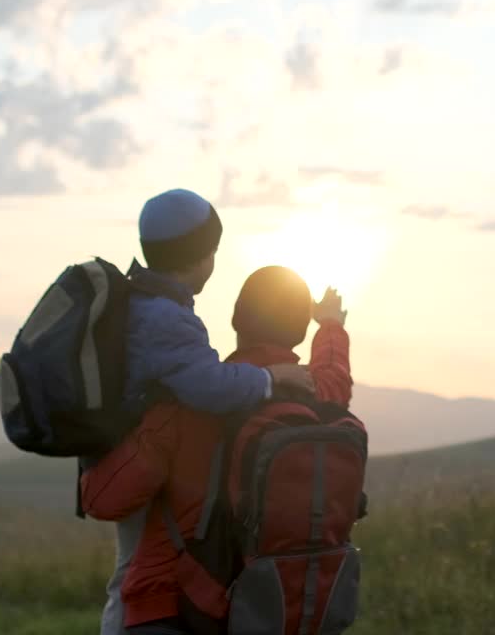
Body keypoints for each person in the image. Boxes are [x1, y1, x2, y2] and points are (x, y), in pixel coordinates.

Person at [84, 265, 352, 635]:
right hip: (268, 605)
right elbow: (334, 373)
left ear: (235, 319)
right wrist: (330, 325)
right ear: (299, 331)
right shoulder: (316, 396)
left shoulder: (186, 406)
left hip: (174, 607)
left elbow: (105, 501)